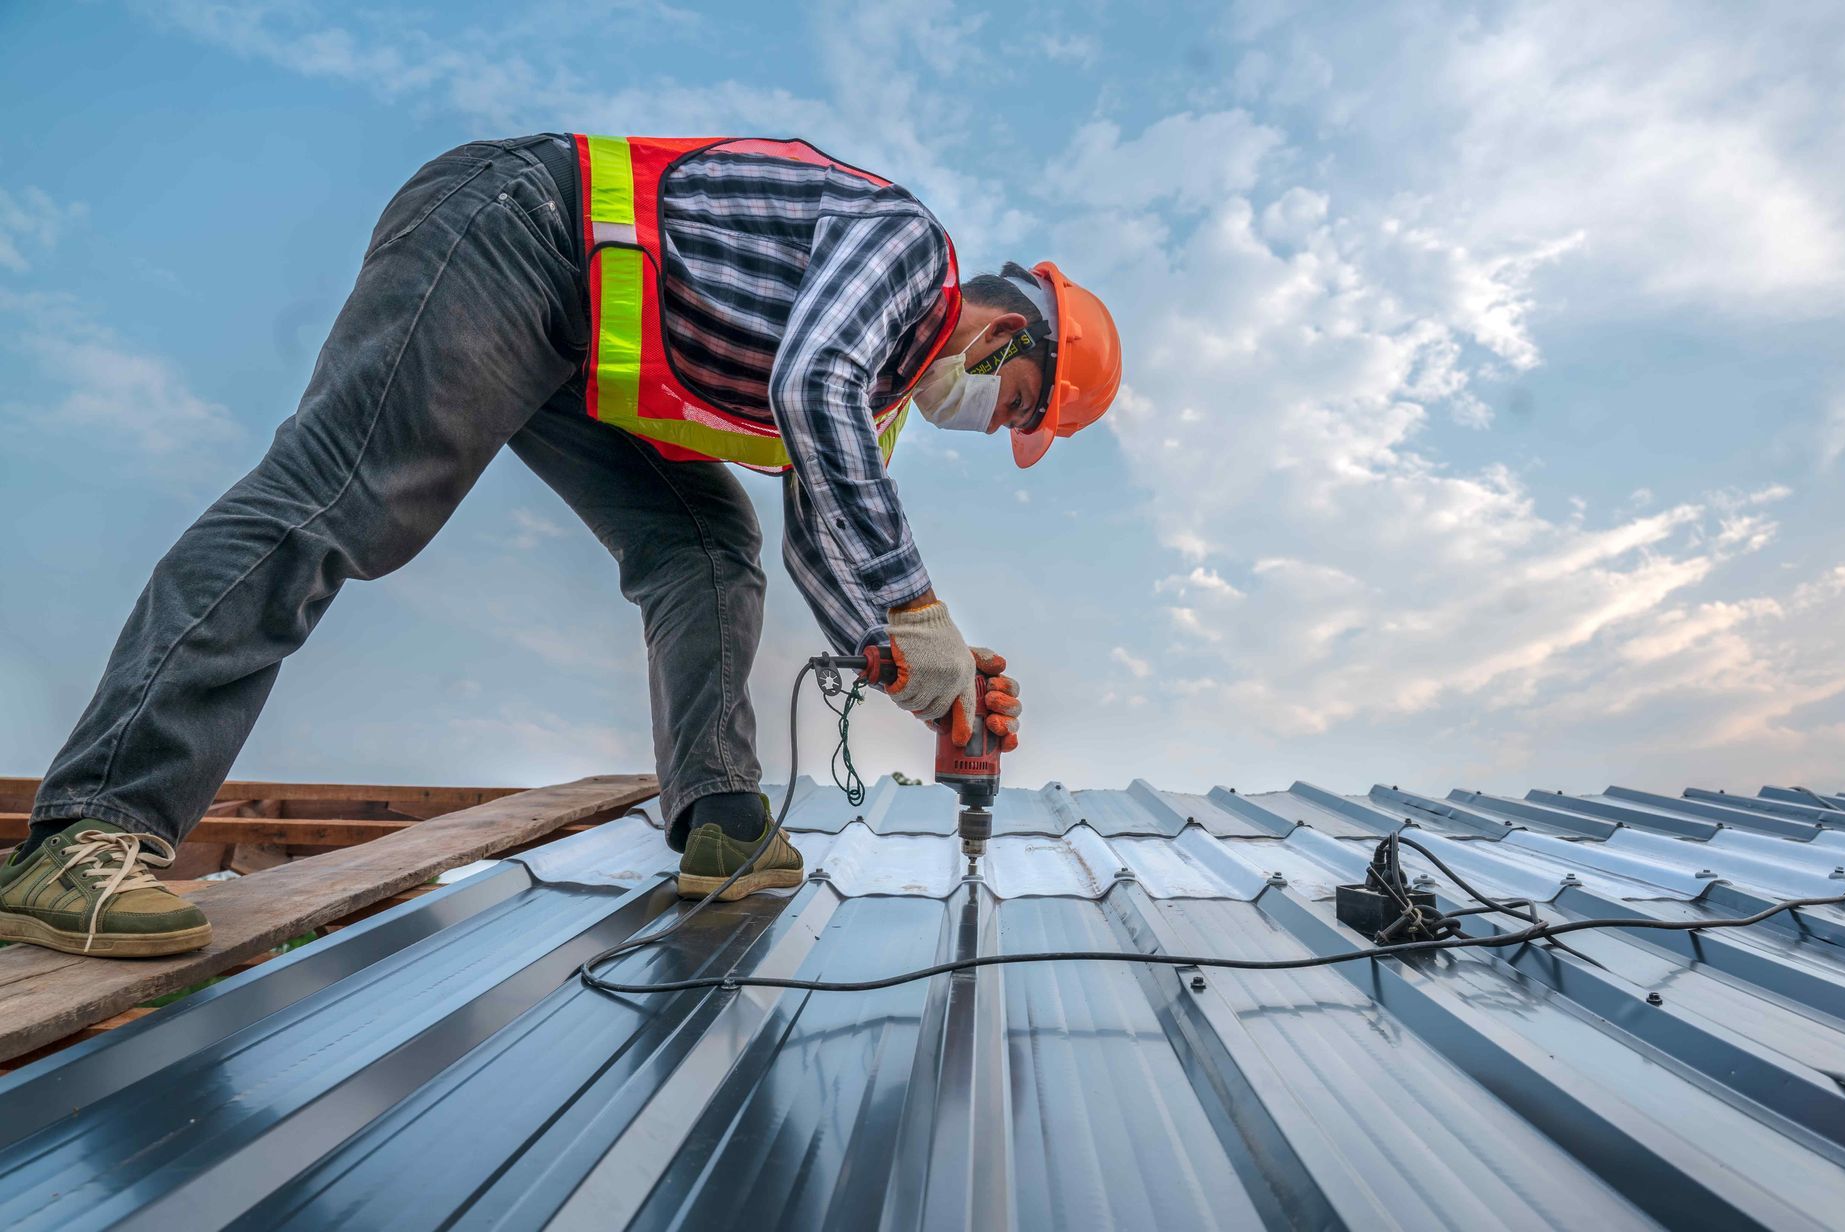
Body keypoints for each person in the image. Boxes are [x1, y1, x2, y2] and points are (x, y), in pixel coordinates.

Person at [0, 134, 1122, 957]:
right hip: (516, 229)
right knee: (342, 497)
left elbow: (827, 537)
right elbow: (809, 379)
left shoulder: (874, 396)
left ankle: (722, 819)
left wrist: (921, 664)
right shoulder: (911, 256)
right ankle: (92, 827)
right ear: (1009, 329)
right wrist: (917, 600)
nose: (998, 426)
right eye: (1020, 405)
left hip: (576, 353)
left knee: (707, 544)